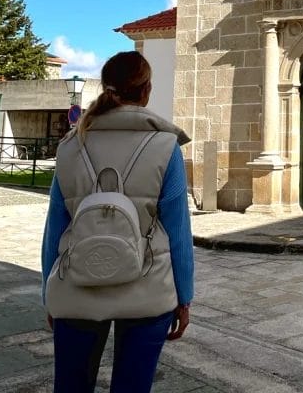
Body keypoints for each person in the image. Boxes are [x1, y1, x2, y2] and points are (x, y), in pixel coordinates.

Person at [41, 51, 194, 393]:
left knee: (71, 387)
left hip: (76, 285)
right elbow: (179, 231)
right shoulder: (166, 146)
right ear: (147, 90)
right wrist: (185, 297)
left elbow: (55, 227)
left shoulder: (70, 145)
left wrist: (47, 293)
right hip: (148, 286)